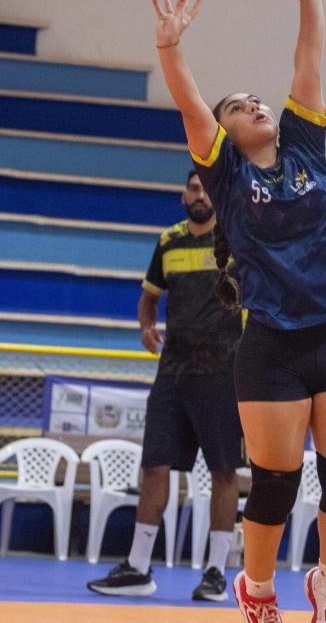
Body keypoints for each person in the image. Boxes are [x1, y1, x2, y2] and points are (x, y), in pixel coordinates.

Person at [149, 0, 326, 623]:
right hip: (273, 346)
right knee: (275, 484)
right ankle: (257, 588)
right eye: (238, 106)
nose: (255, 105)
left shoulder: (305, 147)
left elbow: (308, 63)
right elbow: (192, 105)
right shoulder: (224, 175)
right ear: (225, 131)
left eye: (257, 99)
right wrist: (170, 47)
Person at [88, 170, 245, 602]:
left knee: (224, 470)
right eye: (193, 188)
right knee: (155, 465)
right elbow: (149, 298)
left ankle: (216, 572)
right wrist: (146, 326)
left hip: (224, 372)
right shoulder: (168, 241)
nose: (200, 194)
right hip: (173, 372)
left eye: (206, 188)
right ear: (183, 196)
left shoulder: (236, 238)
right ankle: (138, 567)